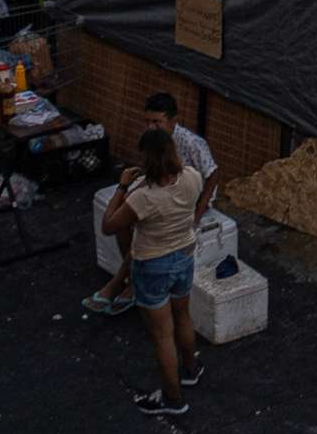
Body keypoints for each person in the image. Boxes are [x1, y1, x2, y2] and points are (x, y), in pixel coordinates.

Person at [101, 128, 204, 417]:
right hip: (184, 256)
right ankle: (191, 370)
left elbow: (109, 225)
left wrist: (122, 187)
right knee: (183, 315)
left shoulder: (142, 198)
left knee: (162, 335)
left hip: (152, 265)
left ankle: (173, 399)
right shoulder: (193, 178)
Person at [87, 93, 220, 315]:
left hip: (186, 194)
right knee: (123, 221)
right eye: (147, 121)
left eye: (156, 122)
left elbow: (213, 174)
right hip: (164, 189)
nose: (150, 127)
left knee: (141, 228)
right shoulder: (155, 140)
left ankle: (124, 283)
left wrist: (198, 211)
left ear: (173, 121)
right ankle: (128, 279)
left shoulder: (191, 142)